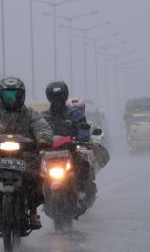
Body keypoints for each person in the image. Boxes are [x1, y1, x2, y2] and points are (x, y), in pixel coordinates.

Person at [0, 77, 53, 229]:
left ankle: (32, 211)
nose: (11, 99)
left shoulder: (30, 114)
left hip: (25, 156)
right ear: (0, 96)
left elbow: (42, 127)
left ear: (22, 96)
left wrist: (42, 139)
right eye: (7, 96)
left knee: (36, 176)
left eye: (14, 95)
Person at [41, 81, 109, 210]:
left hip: (70, 151)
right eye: (54, 96)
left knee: (84, 165)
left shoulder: (75, 114)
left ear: (65, 96)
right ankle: (35, 201)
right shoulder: (43, 116)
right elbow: (36, 130)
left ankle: (81, 192)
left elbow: (82, 128)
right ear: (49, 97)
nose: (57, 100)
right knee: (32, 172)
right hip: (48, 154)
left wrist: (81, 137)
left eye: (60, 96)